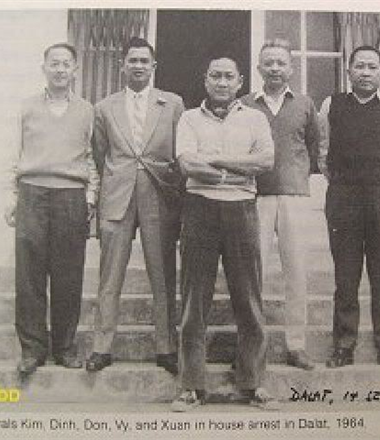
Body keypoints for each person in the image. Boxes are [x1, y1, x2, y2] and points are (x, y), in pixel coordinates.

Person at [172, 56, 279, 412]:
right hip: (199, 208)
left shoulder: (255, 118)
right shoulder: (189, 118)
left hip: (241, 209)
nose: (221, 82)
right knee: (194, 300)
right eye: (215, 76)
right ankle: (191, 386)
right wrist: (234, 169)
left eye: (228, 76)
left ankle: (253, 383)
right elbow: (187, 163)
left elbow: (265, 162)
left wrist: (215, 161)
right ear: (205, 80)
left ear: (240, 82)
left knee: (248, 297)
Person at [85, 37, 184, 375]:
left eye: (144, 60)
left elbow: (180, 153)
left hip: (159, 195)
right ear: (122, 65)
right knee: (109, 275)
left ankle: (166, 347)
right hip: (117, 196)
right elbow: (101, 155)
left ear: (154, 66)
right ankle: (102, 347)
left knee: (163, 275)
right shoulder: (105, 107)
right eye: (133, 60)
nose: (138, 66)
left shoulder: (172, 104)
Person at [4, 42, 98, 376]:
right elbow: (13, 154)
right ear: (44, 68)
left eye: (65, 64)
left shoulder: (87, 110)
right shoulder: (26, 107)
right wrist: (12, 197)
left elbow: (92, 158)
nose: (60, 69)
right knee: (29, 275)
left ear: (75, 70)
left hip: (71, 196)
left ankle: (65, 347)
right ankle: (32, 349)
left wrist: (90, 198)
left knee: (68, 274)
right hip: (32, 193)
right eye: (54, 63)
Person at [318, 45, 380, 368]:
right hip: (344, 196)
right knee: (346, 275)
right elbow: (323, 150)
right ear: (349, 71)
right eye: (360, 66)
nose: (366, 73)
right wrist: (344, 183)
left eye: (372, 67)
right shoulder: (332, 105)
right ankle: (344, 345)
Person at [241, 39, 321, 370]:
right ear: (259, 68)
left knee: (296, 272)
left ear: (291, 68)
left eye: (281, 63)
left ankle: (296, 345)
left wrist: (297, 177)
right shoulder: (245, 105)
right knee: (252, 272)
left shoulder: (305, 104)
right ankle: (251, 347)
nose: (275, 68)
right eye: (269, 63)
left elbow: (314, 148)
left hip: (294, 196)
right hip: (255, 196)